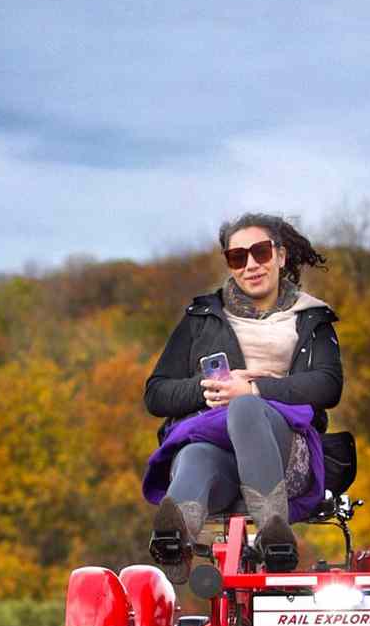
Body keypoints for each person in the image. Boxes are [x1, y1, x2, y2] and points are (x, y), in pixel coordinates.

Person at [142, 215, 343, 582]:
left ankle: (273, 532)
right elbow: (156, 393)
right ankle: (175, 540)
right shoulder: (200, 318)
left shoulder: (310, 319)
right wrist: (205, 388)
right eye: (238, 257)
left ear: (281, 256)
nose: (251, 265)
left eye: (261, 252)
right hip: (218, 448)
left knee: (247, 408)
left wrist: (253, 390)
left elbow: (328, 387)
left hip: (284, 452)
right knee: (193, 453)